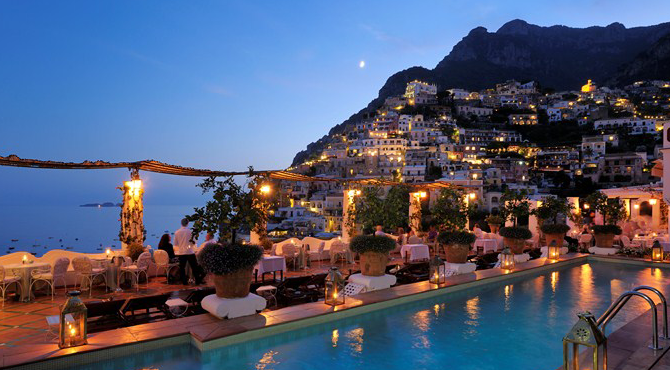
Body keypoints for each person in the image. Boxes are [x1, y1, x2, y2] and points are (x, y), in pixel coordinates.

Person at [174, 218, 204, 285]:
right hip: (190, 252)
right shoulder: (190, 232)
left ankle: (184, 282)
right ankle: (197, 280)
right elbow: (194, 242)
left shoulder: (177, 232)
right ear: (187, 223)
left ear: (181, 223)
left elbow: (176, 244)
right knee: (194, 267)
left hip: (181, 252)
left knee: (182, 268)